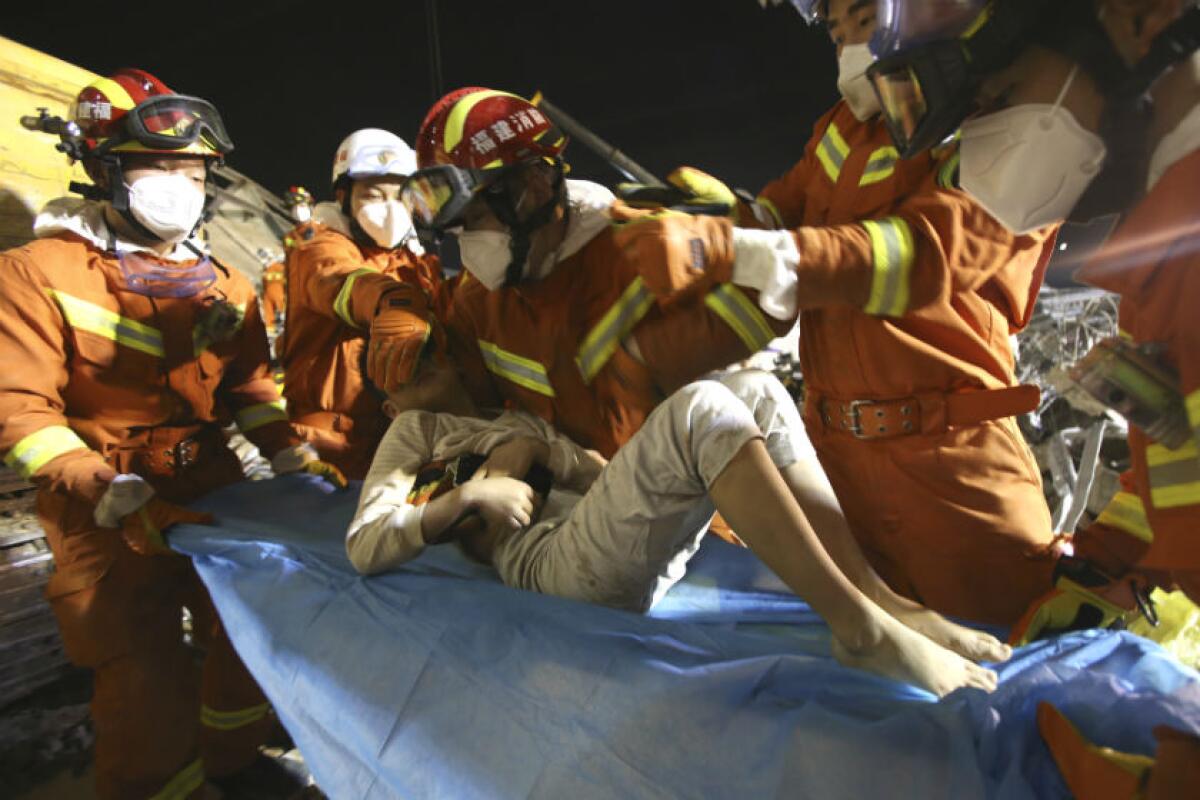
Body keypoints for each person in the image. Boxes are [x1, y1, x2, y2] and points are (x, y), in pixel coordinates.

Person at [612, 0, 1061, 626]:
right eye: (835, 31)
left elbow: (915, 258)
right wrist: (710, 222)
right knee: (875, 672)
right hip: (839, 463)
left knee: (1003, 656)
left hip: (951, 468)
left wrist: (720, 248)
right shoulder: (842, 130)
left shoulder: (1002, 124)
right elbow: (780, 216)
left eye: (864, 21)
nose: (848, 44)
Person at [867, 0, 1200, 794]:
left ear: (1135, 21)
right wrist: (1114, 565)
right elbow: (1185, 454)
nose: (982, 135)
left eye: (1002, 89)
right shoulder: (1172, 248)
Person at [0, 68, 344, 799]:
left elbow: (249, 388)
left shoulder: (225, 282)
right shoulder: (36, 273)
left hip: (211, 480)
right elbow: (21, 410)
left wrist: (286, 450)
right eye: (156, 166)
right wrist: (108, 488)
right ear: (103, 169)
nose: (178, 184)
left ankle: (232, 761)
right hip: (103, 500)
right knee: (141, 669)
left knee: (251, 629)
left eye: (192, 170)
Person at [347, 359, 1012, 698]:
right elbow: (365, 544)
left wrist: (543, 453)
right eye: (400, 366)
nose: (424, 368)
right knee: (702, 410)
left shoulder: (512, 415)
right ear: (389, 401)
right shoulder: (415, 433)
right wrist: (469, 494)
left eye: (427, 350)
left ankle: (882, 603)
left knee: (752, 385)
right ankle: (859, 632)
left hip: (597, 531)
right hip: (547, 566)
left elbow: (600, 472)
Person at [403, 89, 794, 465]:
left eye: (476, 220)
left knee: (755, 392)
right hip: (578, 502)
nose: (469, 247)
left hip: (692, 491)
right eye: (459, 232)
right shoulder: (477, 300)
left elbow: (773, 305)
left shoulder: (646, 249)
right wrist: (398, 312)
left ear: (533, 188)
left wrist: (736, 238)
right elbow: (462, 396)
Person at [281, 128, 444, 479]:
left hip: (400, 435)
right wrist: (393, 299)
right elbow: (340, 280)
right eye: (372, 196)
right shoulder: (317, 246)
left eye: (400, 198)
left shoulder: (416, 262)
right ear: (343, 197)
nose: (389, 209)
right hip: (331, 442)